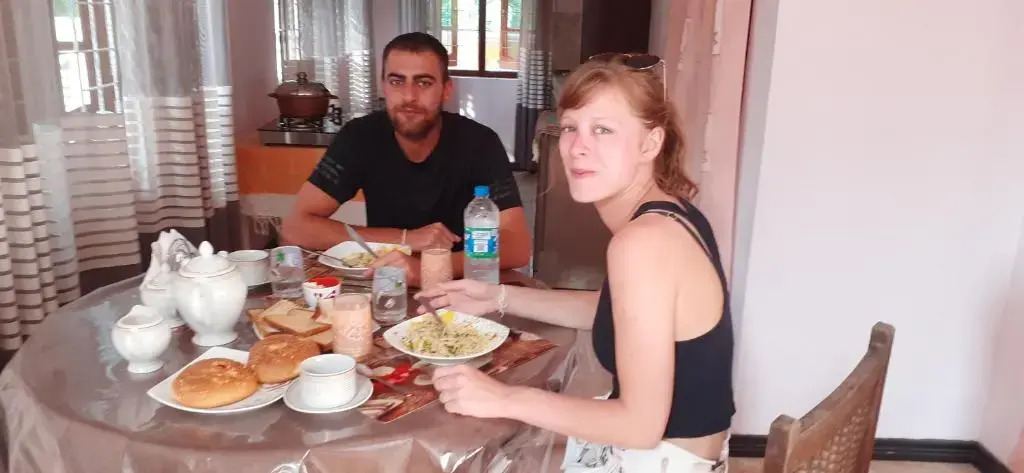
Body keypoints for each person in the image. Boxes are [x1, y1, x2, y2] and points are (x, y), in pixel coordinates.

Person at [417, 56, 734, 471]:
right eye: (570, 127)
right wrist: (496, 297)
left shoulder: (643, 243)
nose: (578, 146)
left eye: (603, 129)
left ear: (650, 143)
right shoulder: (674, 213)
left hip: (660, 460)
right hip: (683, 455)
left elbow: (640, 426)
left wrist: (504, 397)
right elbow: (616, 310)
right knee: (506, 450)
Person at [281, 32, 532, 285]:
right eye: (397, 81)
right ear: (384, 86)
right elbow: (296, 227)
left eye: (423, 83)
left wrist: (431, 267)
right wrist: (404, 238)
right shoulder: (359, 137)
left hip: (463, 284)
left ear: (446, 90)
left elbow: (517, 247)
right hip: (389, 284)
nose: (409, 96)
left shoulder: (480, 143)